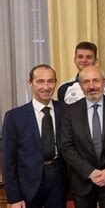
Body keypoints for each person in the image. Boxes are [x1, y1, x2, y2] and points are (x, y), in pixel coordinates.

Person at [61, 65, 105, 208]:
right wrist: (90, 172)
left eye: (96, 81)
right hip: (82, 180)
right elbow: (66, 147)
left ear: (104, 83)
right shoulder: (70, 111)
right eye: (86, 82)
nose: (91, 86)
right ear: (80, 85)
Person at [3, 64, 66, 208]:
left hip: (58, 179)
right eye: (40, 81)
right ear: (30, 83)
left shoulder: (65, 111)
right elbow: (9, 161)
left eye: (50, 81)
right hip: (28, 183)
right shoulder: (14, 117)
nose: (46, 86)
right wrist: (13, 198)